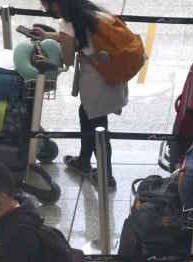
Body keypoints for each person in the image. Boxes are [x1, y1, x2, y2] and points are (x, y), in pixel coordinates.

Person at [35, 0, 128, 189]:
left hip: (96, 80)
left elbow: (67, 59)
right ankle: (84, 161)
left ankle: (106, 177)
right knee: (88, 116)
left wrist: (47, 56)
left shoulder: (68, 22)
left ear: (56, 5)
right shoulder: (90, 12)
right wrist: (47, 35)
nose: (48, 10)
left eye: (47, 6)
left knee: (98, 127)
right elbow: (75, 36)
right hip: (111, 72)